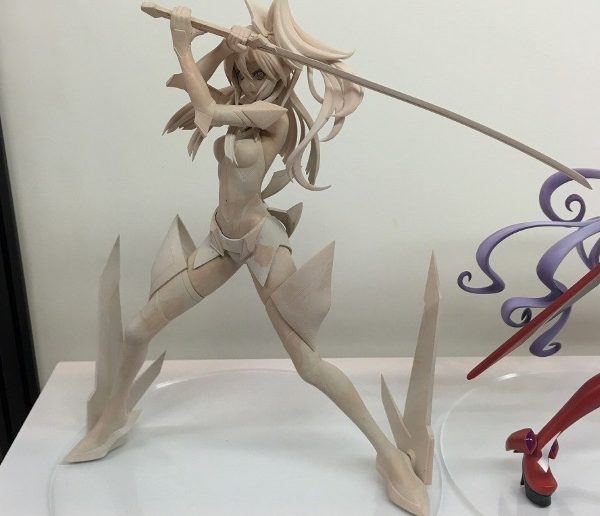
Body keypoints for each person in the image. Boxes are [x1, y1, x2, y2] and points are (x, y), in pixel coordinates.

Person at [67, 2, 428, 513]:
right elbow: (197, 89)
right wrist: (222, 48)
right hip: (221, 241)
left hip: (261, 244)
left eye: (259, 74)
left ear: (281, 77)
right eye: (242, 74)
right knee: (136, 329)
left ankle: (390, 457)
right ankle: (113, 420)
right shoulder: (238, 99)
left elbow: (207, 111)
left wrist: (181, 44)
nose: (248, 82)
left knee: (309, 365)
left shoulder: (272, 118)